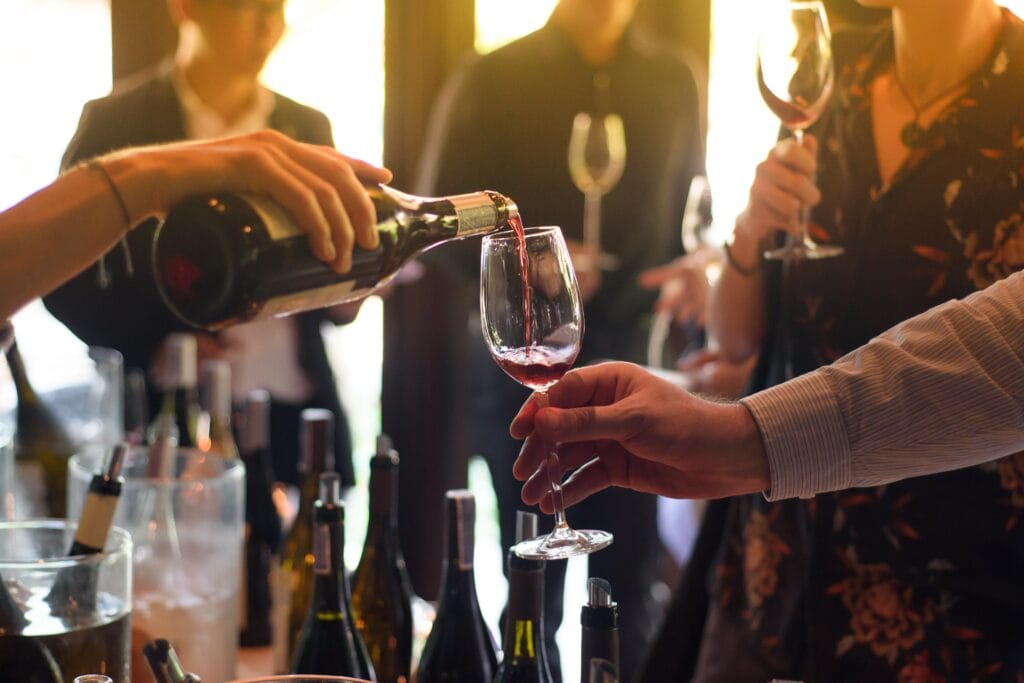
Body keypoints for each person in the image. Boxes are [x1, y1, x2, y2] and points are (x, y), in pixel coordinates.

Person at [602, 1, 1024, 679]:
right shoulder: (832, 73)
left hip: (947, 598)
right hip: (775, 561)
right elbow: (741, 342)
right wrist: (749, 234)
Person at [416, 0, 705, 678]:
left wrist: (700, 266)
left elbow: (690, 216)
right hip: (518, 376)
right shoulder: (491, 77)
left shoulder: (675, 79)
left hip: (637, 368)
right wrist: (530, 262)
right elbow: (437, 229)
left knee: (630, 592)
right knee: (531, 591)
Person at [42, 0, 362, 488]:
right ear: (187, 8)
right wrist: (155, 346)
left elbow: (328, 264)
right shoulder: (117, 124)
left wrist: (353, 284)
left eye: (276, 8)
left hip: (290, 406)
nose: (267, 26)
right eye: (246, 8)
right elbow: (61, 276)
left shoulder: (307, 126)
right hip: (173, 414)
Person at [511, 268, 1024, 504]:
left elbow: (1001, 350)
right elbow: (743, 337)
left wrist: (737, 438)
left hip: (960, 545)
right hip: (781, 537)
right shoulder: (832, 103)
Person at [0, 130, 388, 336]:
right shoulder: (121, 116)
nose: (267, 22)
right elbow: (68, 289)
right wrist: (141, 179)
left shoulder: (302, 122)